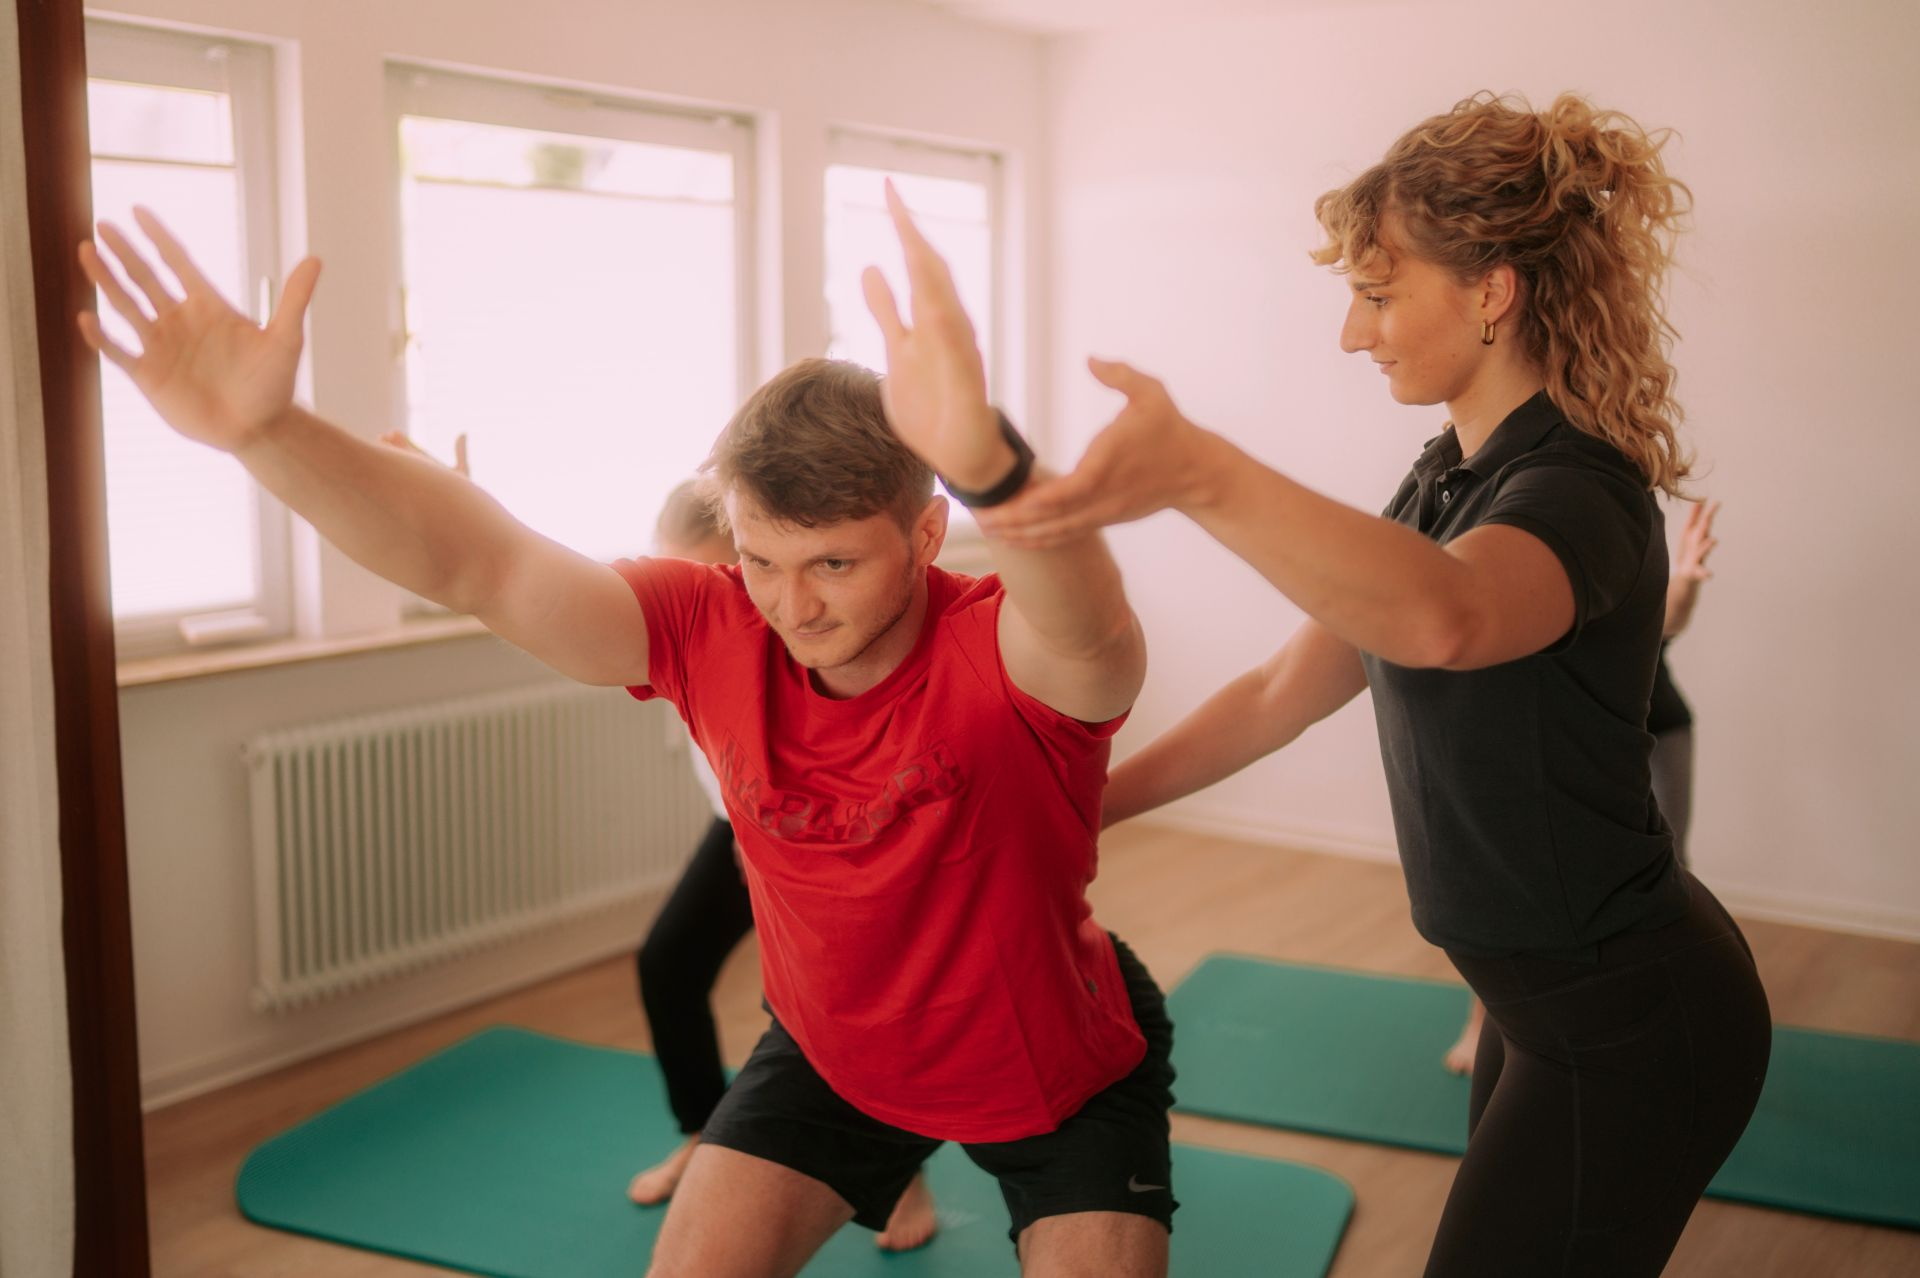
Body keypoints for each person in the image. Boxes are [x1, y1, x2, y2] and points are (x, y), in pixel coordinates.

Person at [77, 184, 1173, 1277]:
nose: (791, 607)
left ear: (928, 532)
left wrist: (987, 456)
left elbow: (1088, 622)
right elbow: (482, 562)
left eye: (834, 562)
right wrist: (270, 435)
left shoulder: (1011, 655)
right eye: (760, 558)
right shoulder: (708, 624)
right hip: (834, 1059)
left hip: (1060, 1073)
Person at [980, 93, 1771, 1277]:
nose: (1356, 333)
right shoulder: (1451, 477)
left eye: (1382, 292)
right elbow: (1276, 691)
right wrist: (1079, 809)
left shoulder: (1578, 489)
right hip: (1536, 1007)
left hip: (1634, 1016)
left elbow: (1446, 618)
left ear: (1492, 291)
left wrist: (1202, 470)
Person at [627, 480, 936, 1252]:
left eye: (716, 581)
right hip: (739, 828)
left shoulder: (806, 644)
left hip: (823, 836)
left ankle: (899, 1175)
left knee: (826, 1011)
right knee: (667, 964)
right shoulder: (679, 630)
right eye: (681, 580)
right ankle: (704, 1133)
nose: (701, 601)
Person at [1444, 495, 1721, 1073]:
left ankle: (1680, 1016)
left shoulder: (1616, 526)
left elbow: (1665, 617)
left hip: (1660, 730)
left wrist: (1688, 580)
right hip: (1568, 747)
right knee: (1515, 888)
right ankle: (1483, 1025)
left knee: (1670, 871)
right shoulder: (1526, 550)